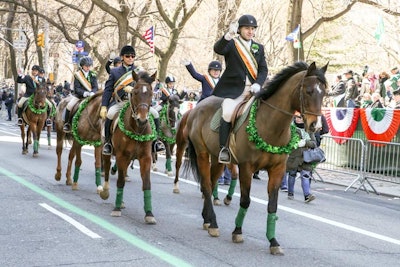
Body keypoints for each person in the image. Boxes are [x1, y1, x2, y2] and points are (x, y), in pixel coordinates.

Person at [212, 14, 268, 163]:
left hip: (254, 90)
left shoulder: (259, 48)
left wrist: (258, 83)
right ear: (240, 29)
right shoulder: (232, 43)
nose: (250, 31)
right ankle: (224, 148)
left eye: (252, 29)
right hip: (235, 91)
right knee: (228, 112)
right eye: (247, 28)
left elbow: (263, 69)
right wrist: (228, 36)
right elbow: (218, 49)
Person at [100, 45, 162, 155]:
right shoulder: (114, 72)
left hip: (137, 104)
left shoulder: (140, 71)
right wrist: (104, 105)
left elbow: (146, 87)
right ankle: (108, 143)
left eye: (132, 56)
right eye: (128, 56)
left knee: (156, 114)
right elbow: (108, 90)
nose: (130, 58)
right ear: (122, 57)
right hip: (121, 101)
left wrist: (134, 90)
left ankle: (156, 142)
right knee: (110, 114)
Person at [63, 56, 98, 132]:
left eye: (89, 66)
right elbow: (77, 88)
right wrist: (84, 93)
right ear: (82, 66)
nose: (88, 68)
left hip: (91, 96)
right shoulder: (77, 75)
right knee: (70, 105)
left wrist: (93, 92)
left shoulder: (93, 75)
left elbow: (95, 86)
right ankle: (67, 123)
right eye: (86, 66)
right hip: (79, 96)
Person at [286, 115, 317, 203]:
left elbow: (314, 143)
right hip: (294, 156)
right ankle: (290, 192)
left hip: (306, 157)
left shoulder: (309, 129)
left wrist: (305, 143)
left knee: (305, 175)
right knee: (292, 174)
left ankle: (307, 195)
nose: (298, 119)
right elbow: (287, 140)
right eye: (297, 117)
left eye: (300, 118)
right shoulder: (291, 128)